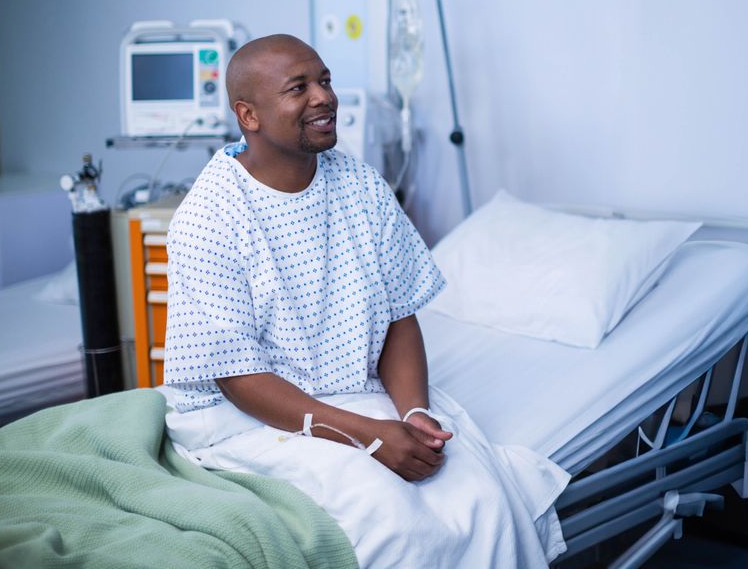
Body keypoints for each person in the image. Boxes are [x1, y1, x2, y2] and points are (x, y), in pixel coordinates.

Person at [161, 35, 567, 567]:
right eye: (298, 88)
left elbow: (399, 315)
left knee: (482, 496)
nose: (323, 97)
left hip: (354, 393)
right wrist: (369, 437)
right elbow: (238, 379)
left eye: (325, 80)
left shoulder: (361, 186)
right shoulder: (209, 217)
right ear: (248, 115)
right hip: (247, 419)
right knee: (392, 520)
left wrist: (413, 411)